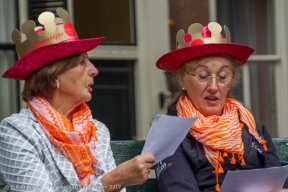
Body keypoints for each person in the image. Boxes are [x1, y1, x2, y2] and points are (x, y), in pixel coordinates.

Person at [0, 7, 155, 192]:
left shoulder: (96, 130)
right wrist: (113, 180)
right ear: (54, 76)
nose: (94, 70)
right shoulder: (17, 132)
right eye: (82, 62)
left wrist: (115, 182)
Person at [154, 22, 288, 192]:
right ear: (182, 80)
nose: (213, 86)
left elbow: (279, 186)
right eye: (203, 76)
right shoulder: (167, 134)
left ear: (231, 80)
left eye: (223, 76)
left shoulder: (255, 130)